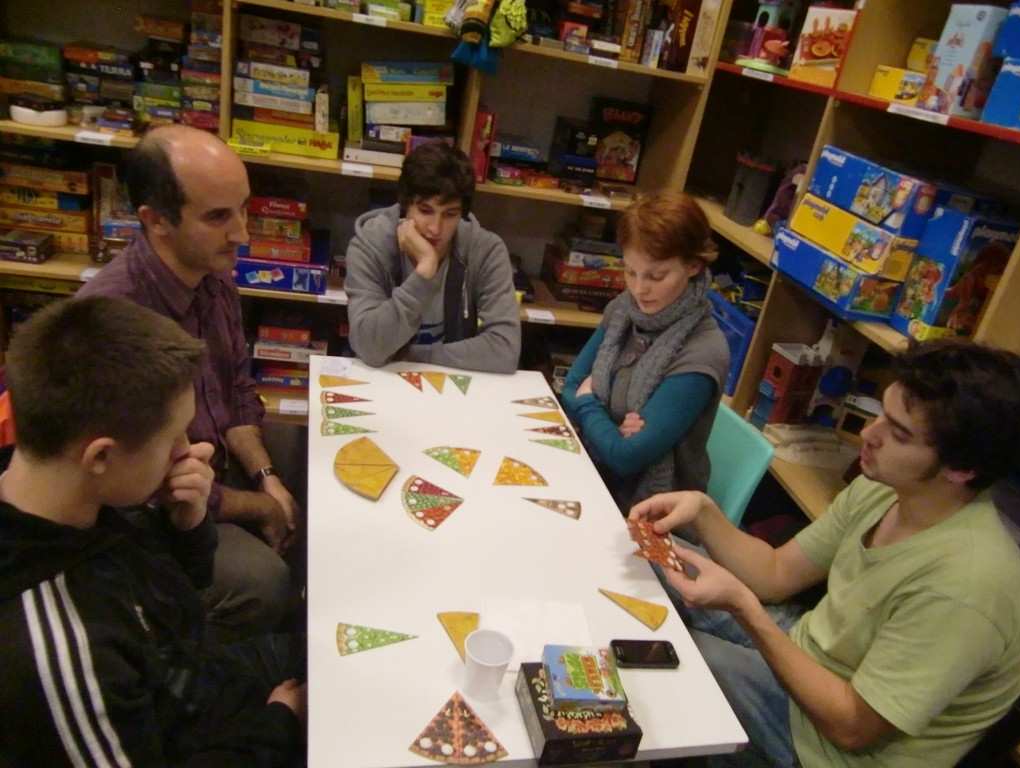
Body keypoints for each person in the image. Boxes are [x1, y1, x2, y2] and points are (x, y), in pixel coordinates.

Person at [631, 339, 1020, 768]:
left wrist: (745, 608)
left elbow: (852, 727)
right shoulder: (885, 486)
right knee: (635, 553)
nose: (867, 435)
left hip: (825, 746)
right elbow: (777, 573)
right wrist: (705, 513)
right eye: (881, 414)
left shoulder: (967, 587)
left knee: (659, 659)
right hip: (808, 650)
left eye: (898, 433)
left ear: (962, 469)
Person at [0, 296, 306, 767]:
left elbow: (172, 607)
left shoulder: (84, 500)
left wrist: (187, 527)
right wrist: (278, 726)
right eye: (175, 437)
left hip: (204, 684)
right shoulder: (64, 655)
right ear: (100, 456)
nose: (192, 450)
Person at [76, 124, 298, 644]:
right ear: (157, 222)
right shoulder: (112, 322)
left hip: (209, 470)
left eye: (244, 208)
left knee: (311, 459)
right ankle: (215, 664)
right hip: (156, 517)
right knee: (264, 582)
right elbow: (146, 489)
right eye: (218, 216)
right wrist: (262, 505)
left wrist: (267, 476)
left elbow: (237, 392)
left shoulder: (213, 271)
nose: (242, 232)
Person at [561, 190, 729, 512]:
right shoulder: (623, 310)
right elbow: (570, 385)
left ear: (693, 265)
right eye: (630, 271)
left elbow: (626, 458)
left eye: (656, 276)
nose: (638, 289)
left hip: (654, 511)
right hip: (597, 476)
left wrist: (588, 406)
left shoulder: (703, 352)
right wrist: (612, 430)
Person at [344, 141, 521, 373]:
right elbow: (370, 348)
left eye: (450, 214)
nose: (435, 229)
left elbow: (505, 351)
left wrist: (414, 356)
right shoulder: (369, 246)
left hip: (452, 381)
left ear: (462, 214)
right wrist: (425, 270)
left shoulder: (486, 250)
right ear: (406, 205)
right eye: (425, 211)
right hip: (382, 381)